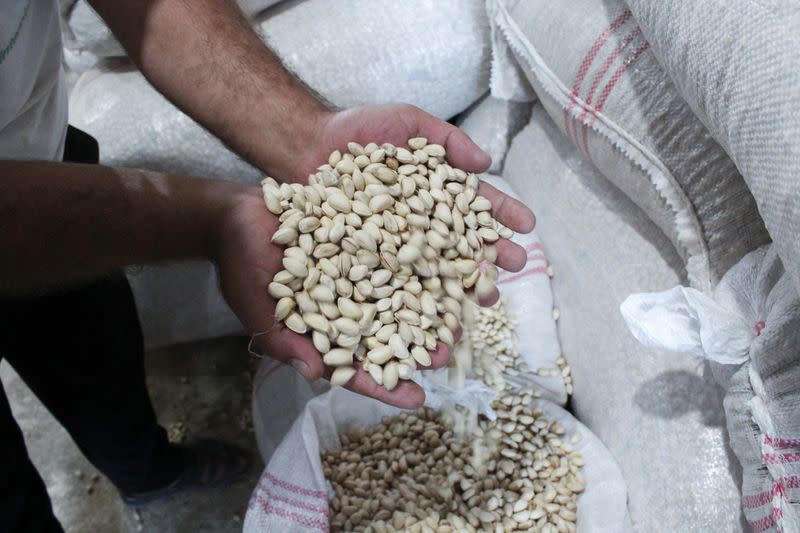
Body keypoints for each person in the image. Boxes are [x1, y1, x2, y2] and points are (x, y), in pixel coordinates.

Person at [0, 0, 536, 531]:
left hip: (42, 149)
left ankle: (149, 471)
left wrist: (301, 133)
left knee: (92, 348)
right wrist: (216, 221)